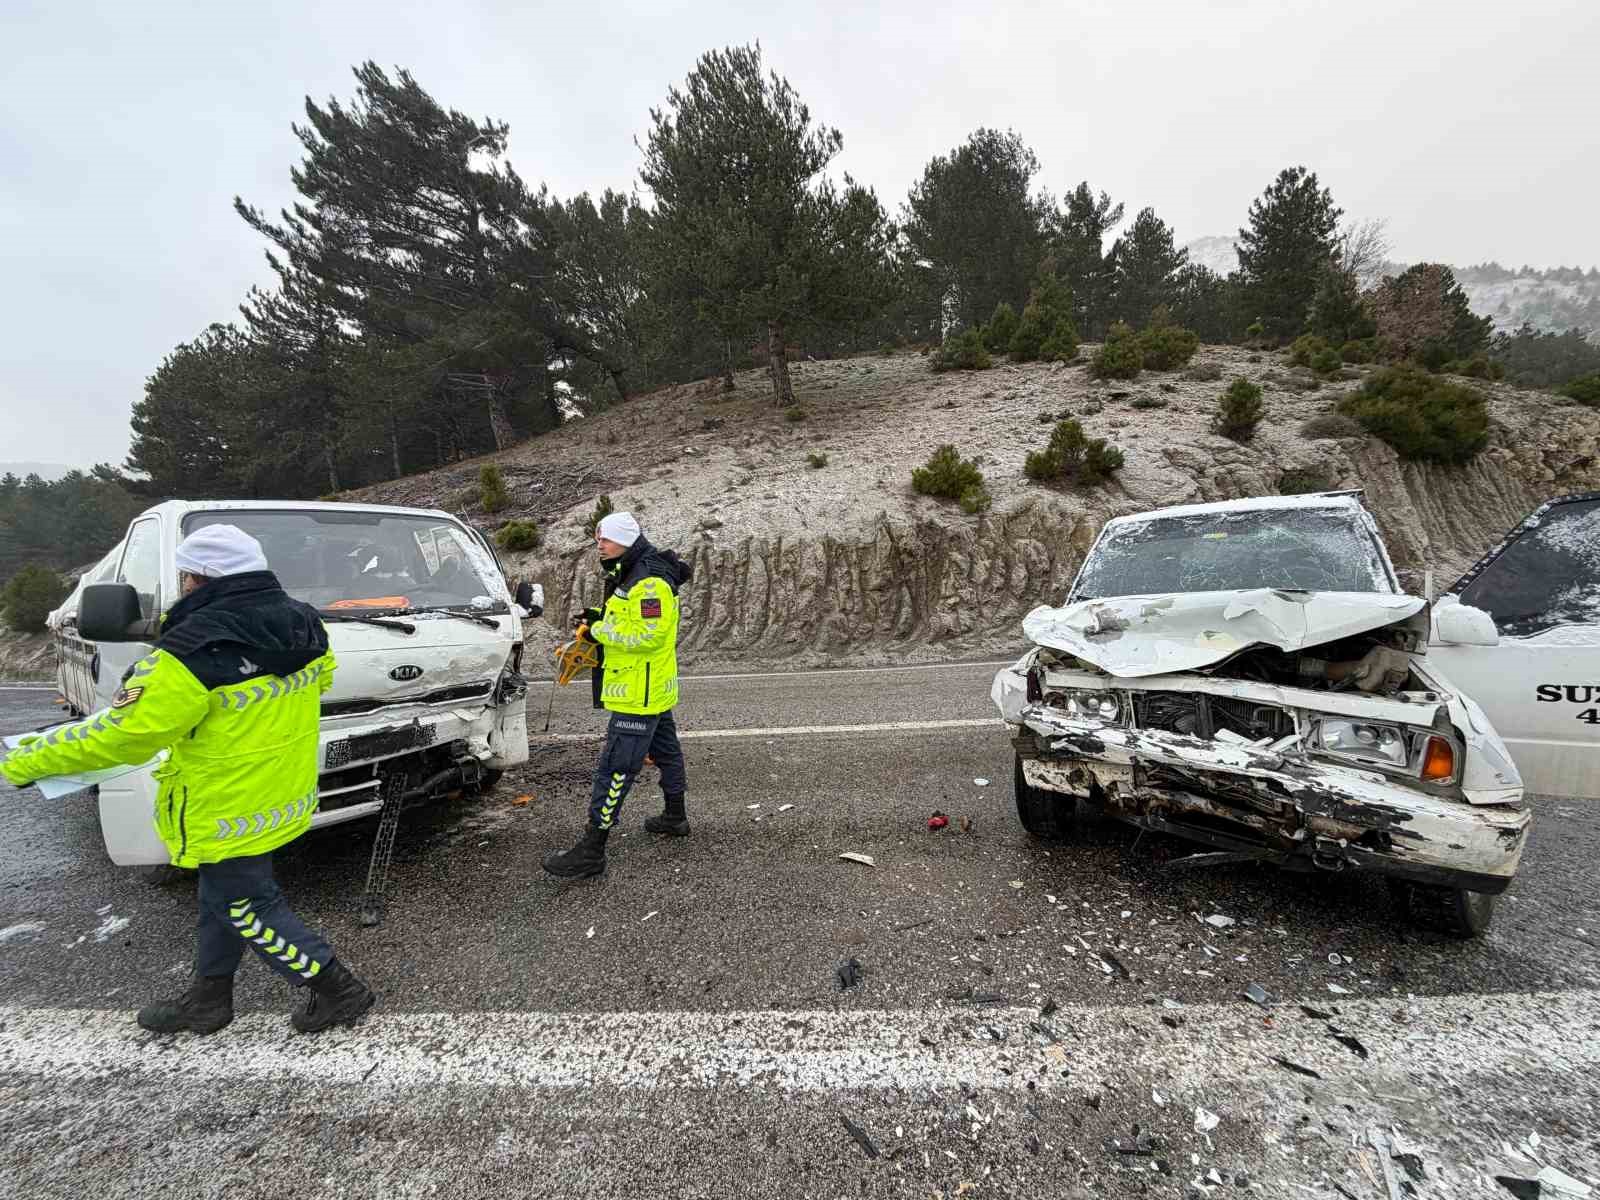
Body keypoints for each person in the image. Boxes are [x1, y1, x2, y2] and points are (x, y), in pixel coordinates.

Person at [0, 524, 375, 1036]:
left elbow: (127, 735)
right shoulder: (303, 624)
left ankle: (337, 988)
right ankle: (208, 998)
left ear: (196, 579)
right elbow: (319, 680)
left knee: (246, 905)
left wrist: (27, 760)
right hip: (281, 790)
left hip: (223, 802)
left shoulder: (190, 650)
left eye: (185, 577)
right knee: (220, 896)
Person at [543, 511, 693, 879]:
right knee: (667, 752)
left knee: (615, 768)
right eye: (598, 539)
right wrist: (597, 617)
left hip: (638, 692)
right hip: (650, 689)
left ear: (625, 540)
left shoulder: (649, 583)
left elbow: (648, 636)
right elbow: (631, 620)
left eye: (606, 539)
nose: (600, 546)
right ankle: (675, 817)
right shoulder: (633, 572)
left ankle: (592, 850)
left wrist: (598, 632)